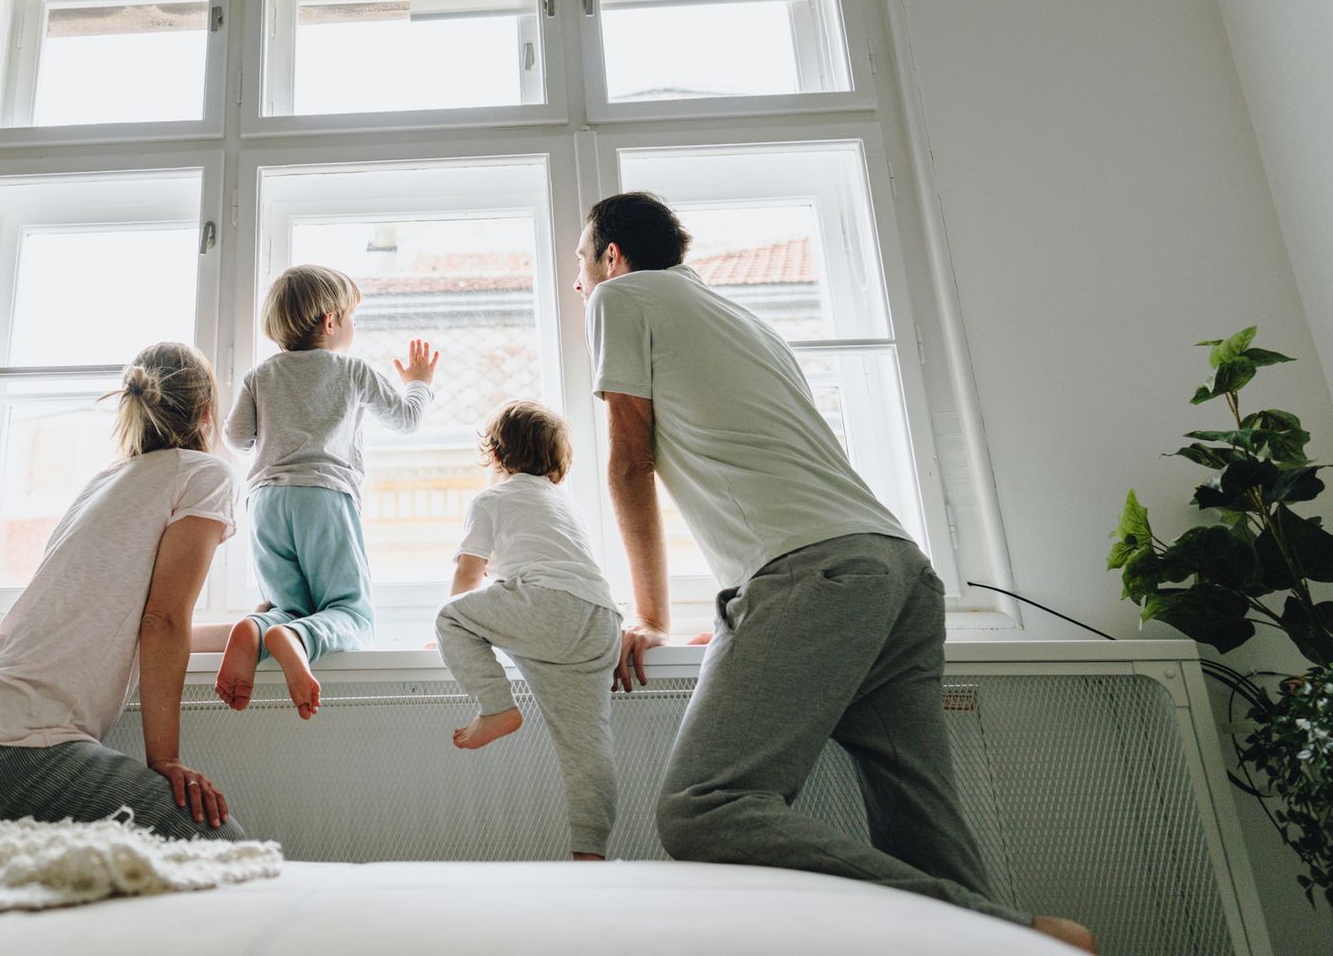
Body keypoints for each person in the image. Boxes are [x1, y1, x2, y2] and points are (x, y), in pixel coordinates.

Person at [578, 192, 1094, 952]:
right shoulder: (746, 321)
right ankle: (1018, 948)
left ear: (611, 256)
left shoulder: (622, 297)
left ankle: (1021, 933)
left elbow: (630, 458)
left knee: (703, 806)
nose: (579, 285)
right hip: (895, 569)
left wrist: (649, 614)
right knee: (921, 823)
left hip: (815, 574)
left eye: (580, 266)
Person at [0, 342, 243, 840]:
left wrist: (245, 629)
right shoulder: (203, 473)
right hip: (12, 751)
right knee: (223, 845)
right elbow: (162, 621)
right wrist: (166, 759)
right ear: (206, 414)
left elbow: (135, 620)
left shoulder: (107, 482)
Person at [215, 263, 438, 719]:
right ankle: (295, 639)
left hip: (266, 504)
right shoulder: (352, 371)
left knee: (290, 606)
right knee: (352, 614)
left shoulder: (260, 376)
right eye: (351, 317)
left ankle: (260, 630)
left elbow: (236, 439)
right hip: (324, 497)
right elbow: (406, 419)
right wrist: (418, 385)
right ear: (330, 322)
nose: (352, 327)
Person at [435, 400, 622, 861]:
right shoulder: (564, 504)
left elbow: (469, 573)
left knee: (449, 617)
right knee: (587, 748)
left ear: (495, 455)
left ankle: (498, 708)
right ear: (556, 465)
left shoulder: (492, 498)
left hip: (549, 606)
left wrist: (458, 625)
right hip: (601, 620)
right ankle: (590, 852)